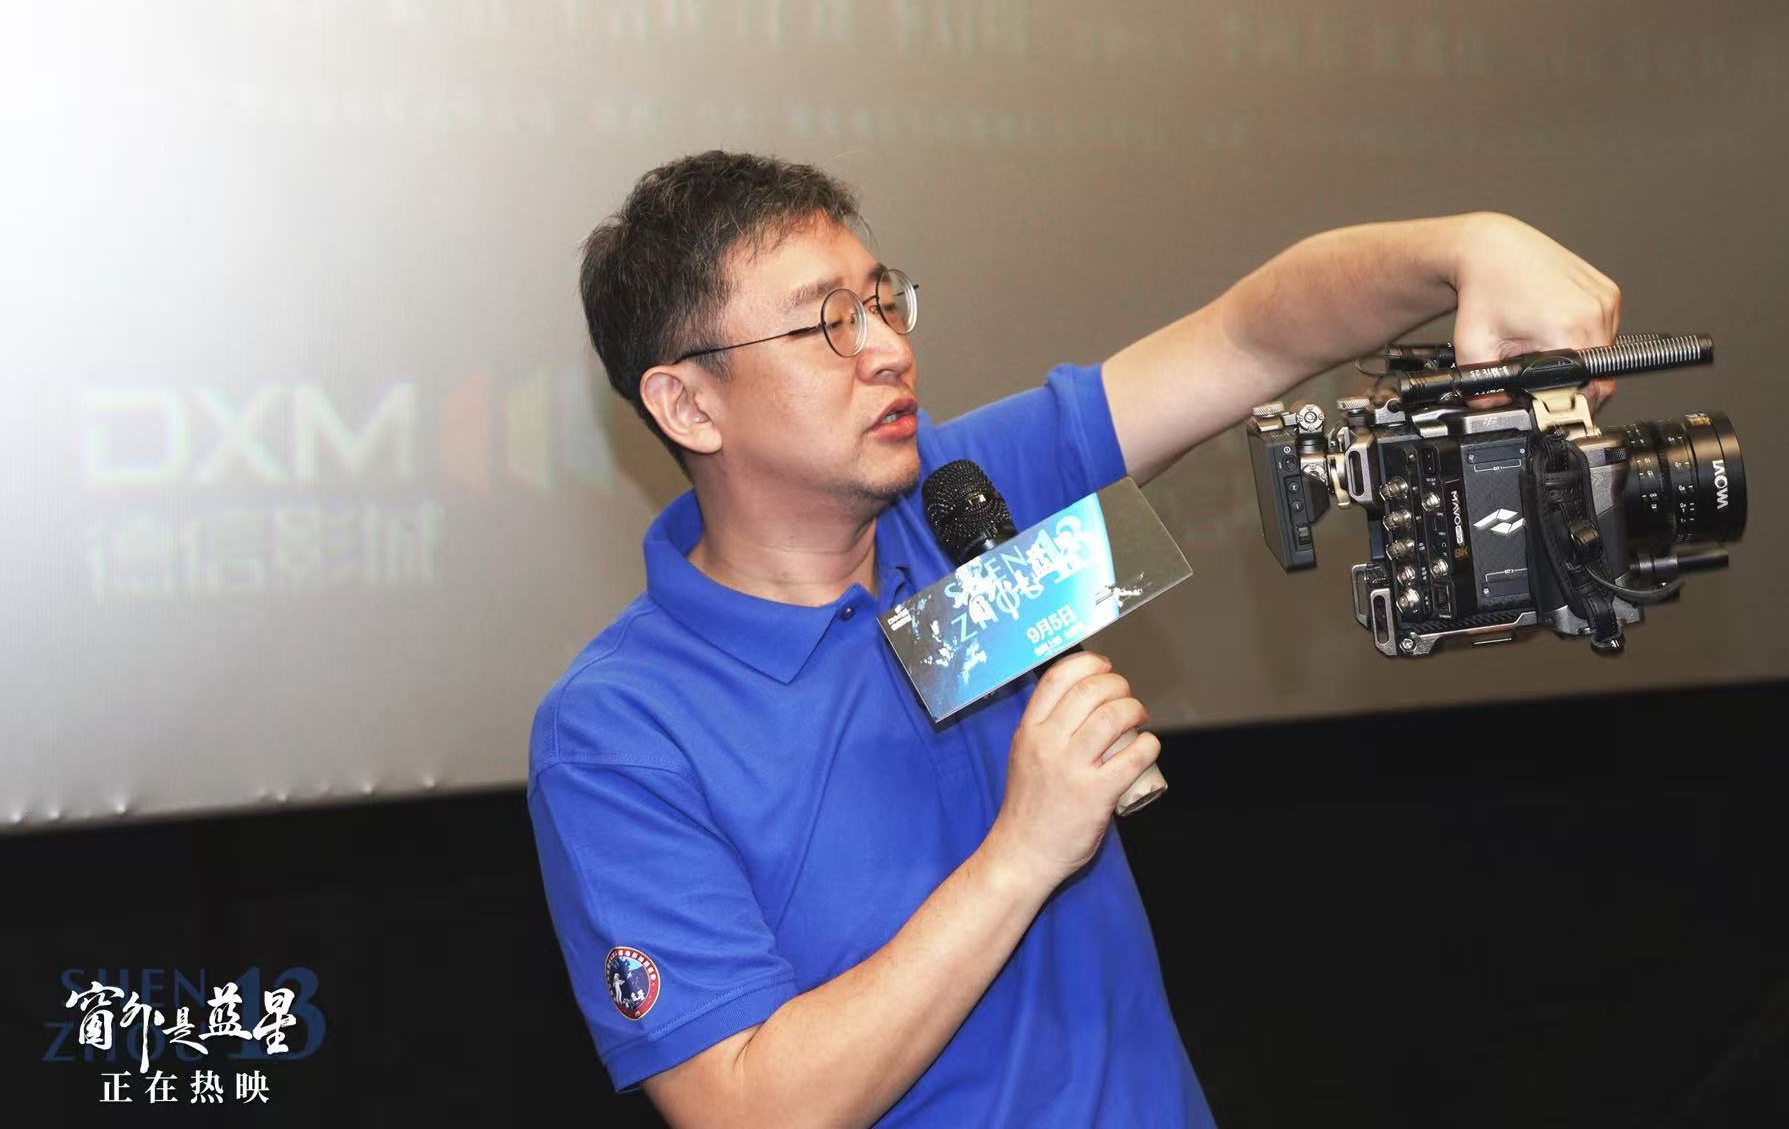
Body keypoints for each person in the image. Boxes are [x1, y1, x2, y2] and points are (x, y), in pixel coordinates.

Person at [527, 151, 1621, 1127]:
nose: (889, 350)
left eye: (884, 301)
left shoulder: (965, 505)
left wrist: (1464, 250)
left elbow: (1252, 337)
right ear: (689, 404)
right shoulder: (621, 729)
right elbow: (751, 1110)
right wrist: (1023, 851)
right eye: (829, 323)